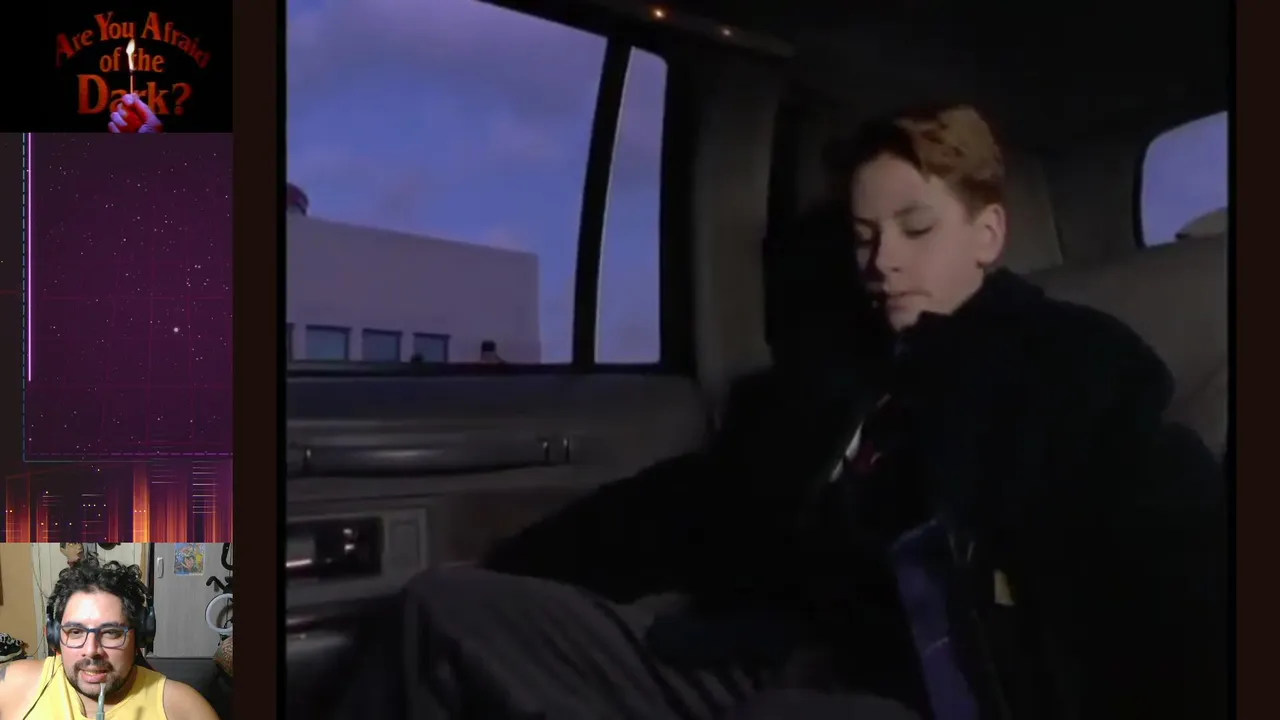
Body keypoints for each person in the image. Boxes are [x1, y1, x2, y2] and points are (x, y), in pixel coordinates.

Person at [310, 104, 1225, 719]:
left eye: (916, 230)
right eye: (865, 239)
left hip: (920, 690)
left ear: (988, 234)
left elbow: (1171, 549)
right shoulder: (834, 378)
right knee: (446, 611)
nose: (884, 262)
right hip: (751, 656)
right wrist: (513, 560)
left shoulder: (1073, 364)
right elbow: (691, 504)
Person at [0, 558, 220, 719]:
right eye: (75, 631)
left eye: (111, 633)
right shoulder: (13, 685)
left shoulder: (183, 707)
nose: (91, 650)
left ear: (139, 638)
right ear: (56, 636)